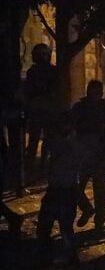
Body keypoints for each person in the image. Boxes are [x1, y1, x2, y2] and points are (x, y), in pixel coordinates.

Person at [37, 112, 83, 265]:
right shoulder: (59, 142)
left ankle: (67, 256)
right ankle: (50, 255)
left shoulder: (71, 143)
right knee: (50, 225)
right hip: (58, 188)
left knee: (62, 226)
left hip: (65, 189)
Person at [71, 80, 105, 232]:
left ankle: (99, 220)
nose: (95, 96)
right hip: (83, 153)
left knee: (100, 189)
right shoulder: (79, 108)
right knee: (76, 186)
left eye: (97, 92)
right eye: (92, 92)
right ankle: (87, 209)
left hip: (100, 154)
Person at [23, 43, 58, 179]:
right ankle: (38, 168)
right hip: (42, 110)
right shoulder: (38, 72)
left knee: (41, 140)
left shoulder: (35, 72)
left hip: (42, 110)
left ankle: (38, 168)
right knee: (40, 140)